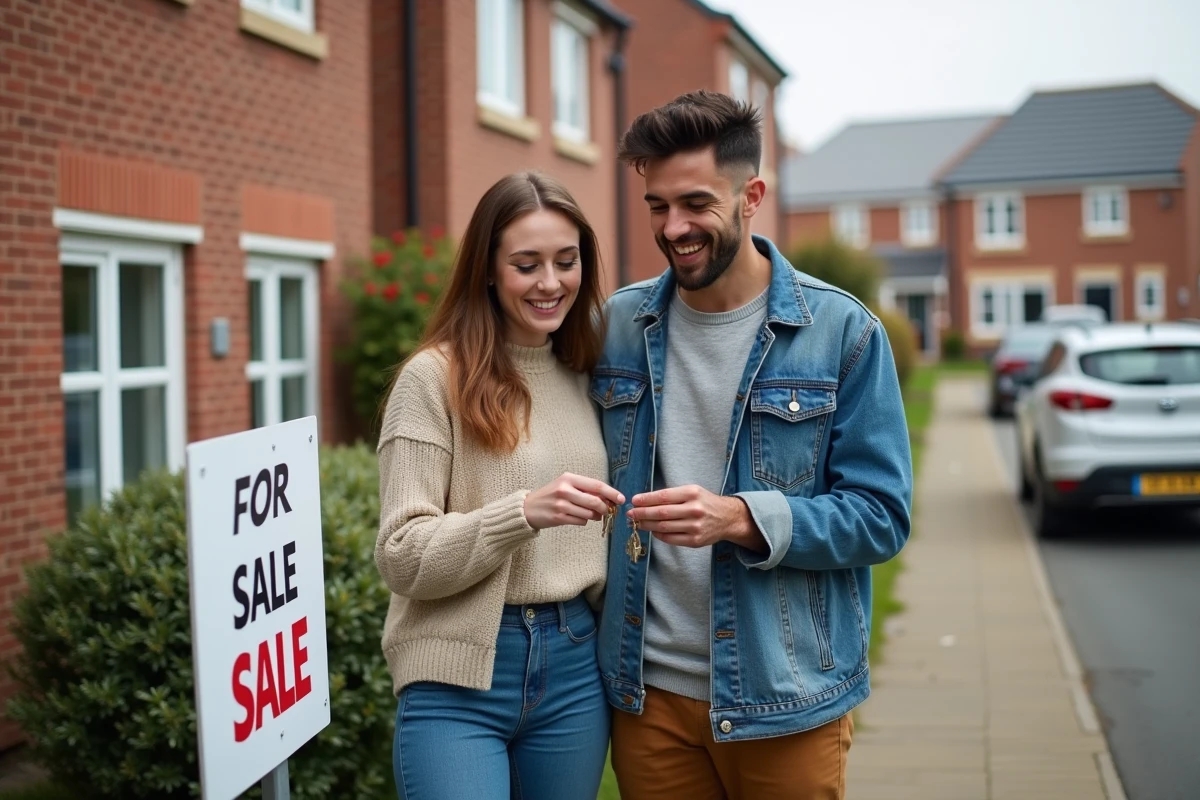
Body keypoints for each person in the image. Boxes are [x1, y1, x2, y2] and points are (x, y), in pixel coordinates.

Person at [592, 90, 913, 799]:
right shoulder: (615, 325)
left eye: (695, 204)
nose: (673, 227)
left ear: (751, 196)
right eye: (656, 206)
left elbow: (882, 515)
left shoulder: (843, 333)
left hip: (786, 700)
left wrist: (741, 518)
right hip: (646, 698)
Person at [375, 171, 623, 800]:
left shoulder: (586, 373)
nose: (550, 282)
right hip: (457, 676)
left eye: (566, 262)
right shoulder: (431, 381)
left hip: (573, 666)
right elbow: (402, 554)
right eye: (526, 264)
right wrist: (523, 512)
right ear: (488, 269)